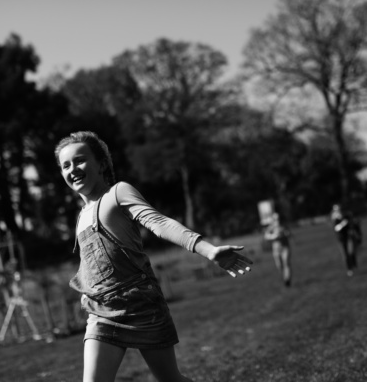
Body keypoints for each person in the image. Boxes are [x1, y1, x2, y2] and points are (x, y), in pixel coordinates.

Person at [54, 131, 253, 382]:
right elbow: (91, 261)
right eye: (65, 165)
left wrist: (208, 250)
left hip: (141, 304)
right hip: (102, 312)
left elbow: (160, 223)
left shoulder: (117, 192)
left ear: (102, 163)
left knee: (169, 379)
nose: (73, 168)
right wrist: (87, 290)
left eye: (80, 160)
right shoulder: (82, 216)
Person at [330, 203, 362, 276]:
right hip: (341, 239)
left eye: (339, 209)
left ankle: (354, 266)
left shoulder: (346, 216)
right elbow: (336, 228)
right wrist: (343, 223)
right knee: (345, 254)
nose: (339, 211)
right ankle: (349, 269)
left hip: (349, 237)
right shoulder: (335, 219)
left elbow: (353, 225)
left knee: (351, 252)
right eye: (337, 210)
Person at [263, 212, 292, 287]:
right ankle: (284, 277)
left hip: (285, 247)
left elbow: (289, 233)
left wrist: (286, 234)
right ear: (273, 219)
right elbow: (266, 237)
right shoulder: (271, 227)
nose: (277, 220)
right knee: (279, 266)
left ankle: (287, 280)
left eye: (278, 218)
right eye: (275, 218)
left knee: (286, 263)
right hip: (276, 250)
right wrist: (273, 236)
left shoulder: (284, 226)